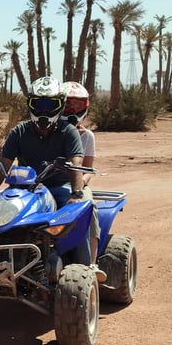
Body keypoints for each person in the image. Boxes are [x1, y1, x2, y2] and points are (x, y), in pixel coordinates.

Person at [0, 76, 87, 243]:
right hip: (23, 189)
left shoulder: (68, 132)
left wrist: (76, 194)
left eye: (51, 105)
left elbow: (76, 163)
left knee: (79, 219)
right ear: (29, 104)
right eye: (38, 104)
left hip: (58, 187)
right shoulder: (19, 131)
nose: (44, 111)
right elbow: (4, 163)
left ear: (60, 106)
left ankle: (86, 265)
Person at [63, 81, 106, 282]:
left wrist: (80, 185)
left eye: (77, 105)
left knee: (89, 208)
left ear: (85, 108)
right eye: (67, 104)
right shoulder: (54, 133)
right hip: (50, 182)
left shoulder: (87, 136)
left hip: (79, 184)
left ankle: (90, 264)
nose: (72, 110)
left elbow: (88, 168)